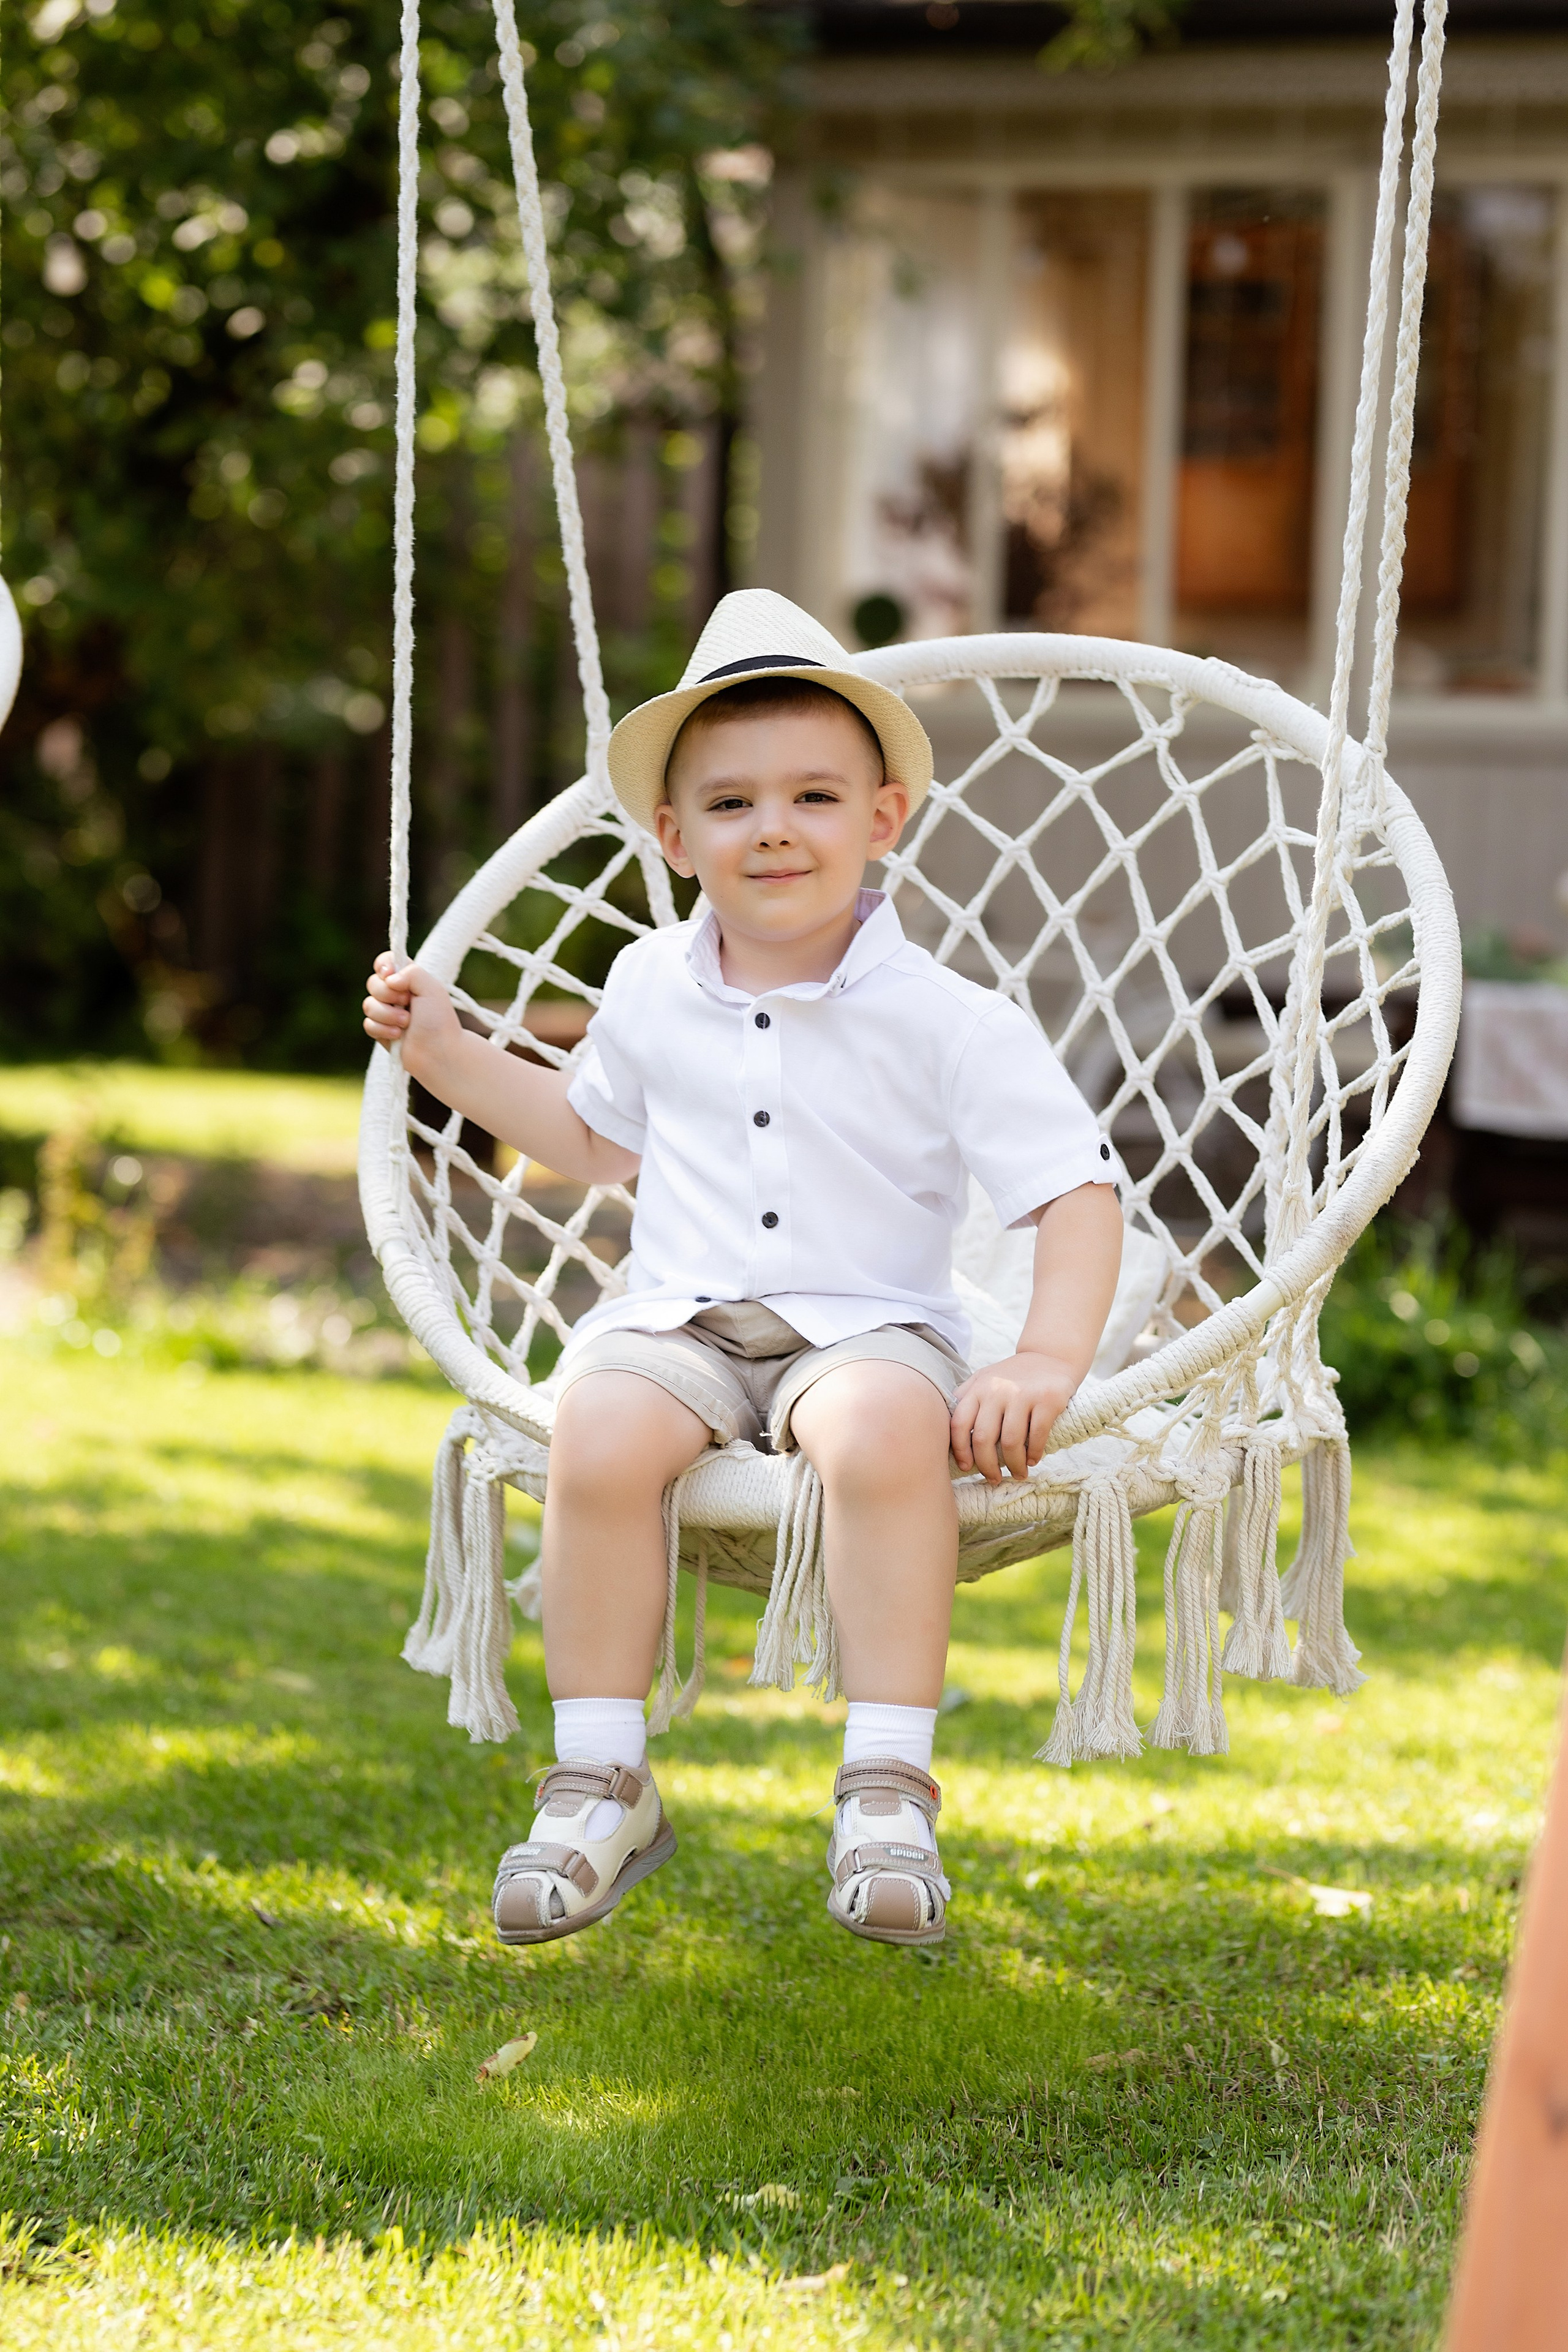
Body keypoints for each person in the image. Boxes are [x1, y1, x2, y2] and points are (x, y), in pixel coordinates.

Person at [363, 589, 1123, 1949]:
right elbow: (590, 1141)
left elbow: (1075, 1194)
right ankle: (601, 1777)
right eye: (730, 806)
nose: (772, 828)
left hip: (867, 1321)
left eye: (813, 797)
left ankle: (886, 1785)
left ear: (880, 819)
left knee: (885, 1427)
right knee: (596, 1430)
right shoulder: (649, 982)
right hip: (679, 1317)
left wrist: (1041, 1359)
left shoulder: (948, 1019)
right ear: (673, 836)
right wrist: (447, 1055)